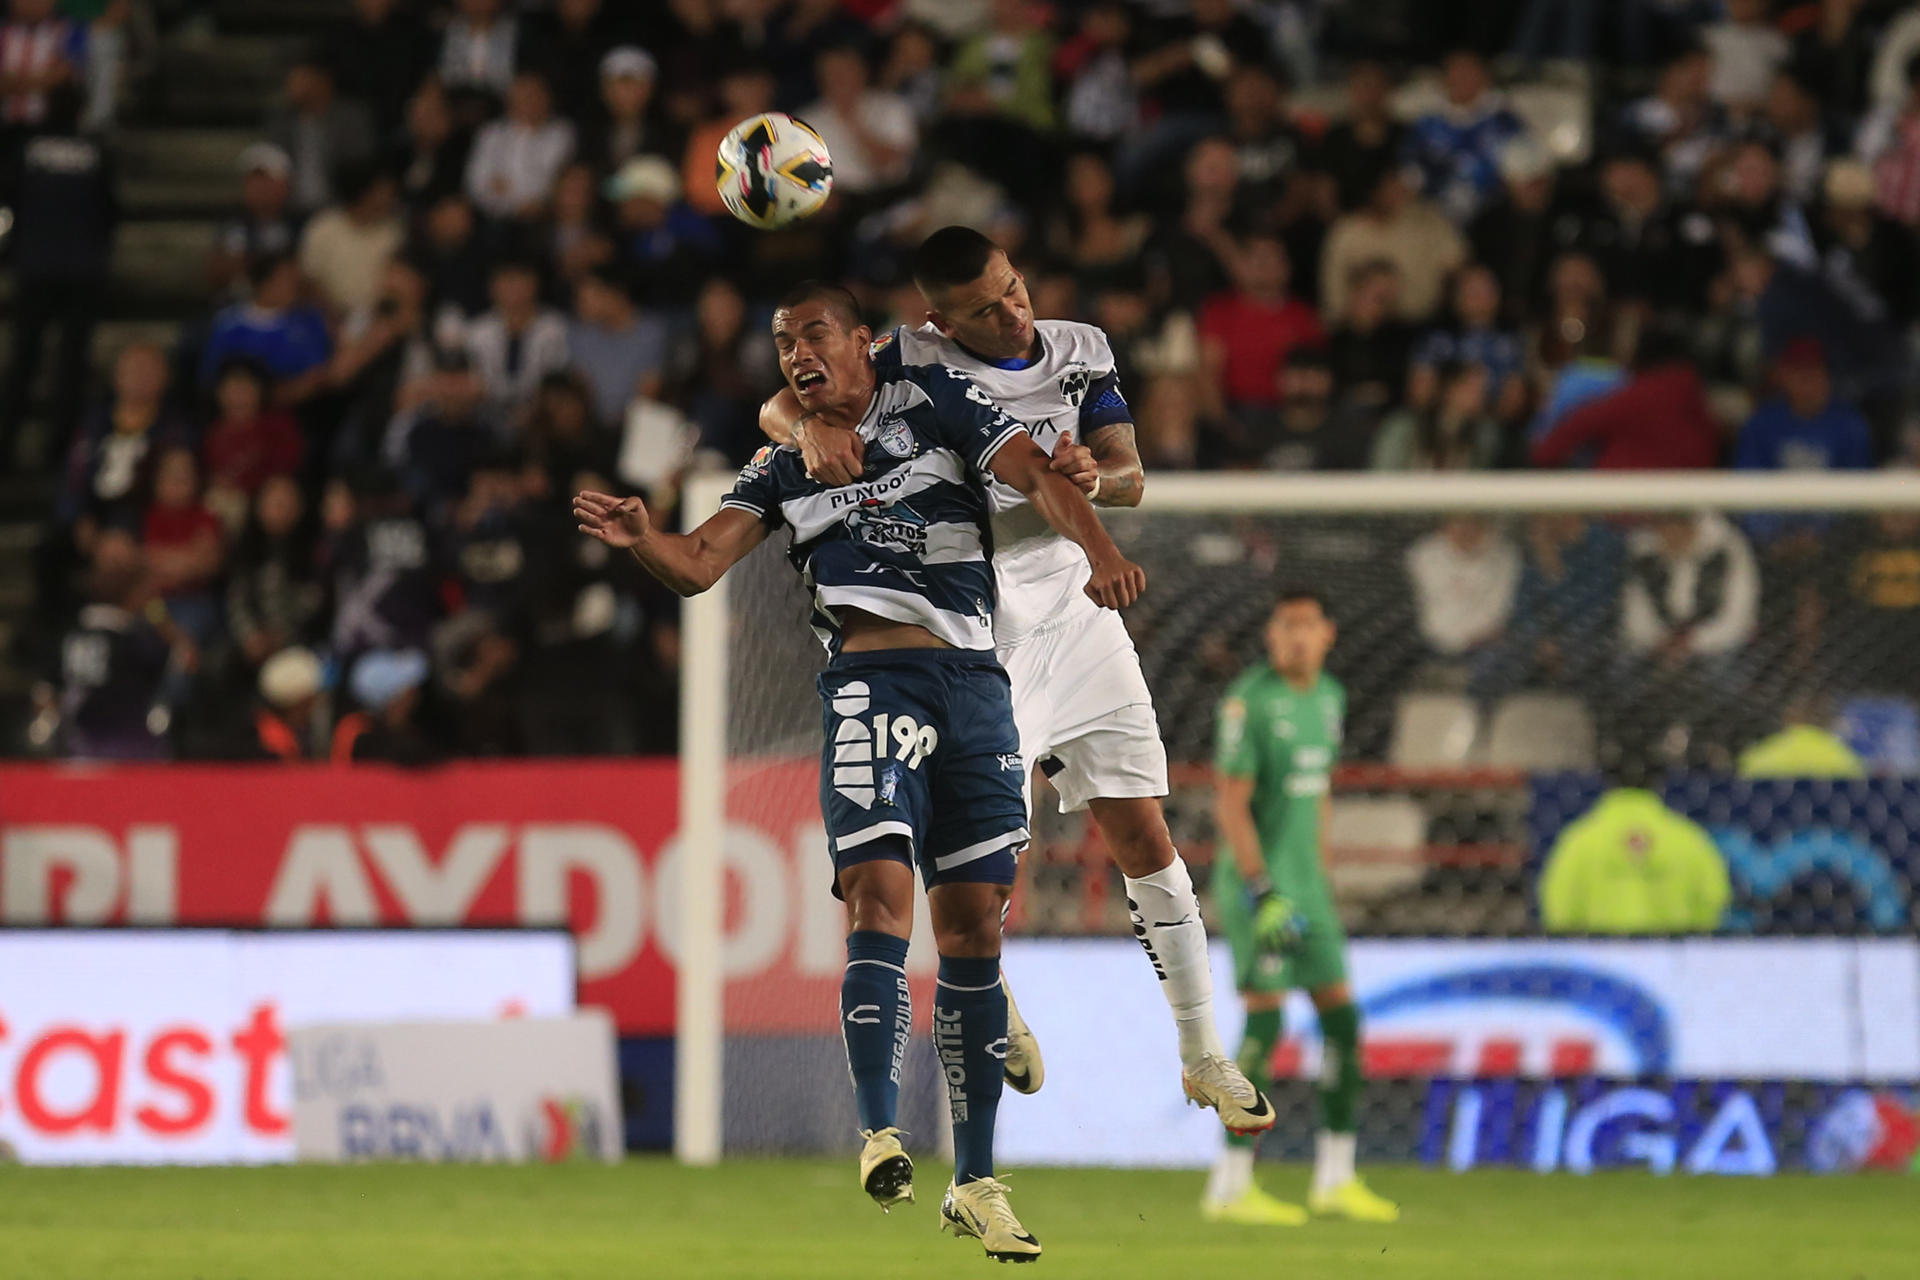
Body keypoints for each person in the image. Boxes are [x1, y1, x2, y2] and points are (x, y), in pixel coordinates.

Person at [576, 280, 1150, 1260]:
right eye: (782, 339)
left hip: (976, 685)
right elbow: (702, 561)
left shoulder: (940, 408)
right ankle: (880, 1130)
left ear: (864, 344)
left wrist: (1098, 545)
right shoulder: (778, 462)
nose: (797, 351)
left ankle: (976, 1180)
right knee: (879, 896)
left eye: (814, 334)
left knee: (973, 927)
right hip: (869, 688)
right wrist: (645, 543)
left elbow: (1039, 475)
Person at [759, 228, 1275, 1141]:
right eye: (984, 309)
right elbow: (783, 402)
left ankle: (1203, 1052)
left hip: (1075, 614)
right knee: (982, 868)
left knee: (1144, 828)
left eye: (1015, 290)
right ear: (937, 322)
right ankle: (991, 997)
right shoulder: (905, 356)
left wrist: (1098, 482)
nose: (1012, 313)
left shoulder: (1081, 348)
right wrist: (806, 426)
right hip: (977, 632)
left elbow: (1130, 474)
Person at [1205, 589, 1398, 1226]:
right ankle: (1230, 1186)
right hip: (1260, 890)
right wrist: (1262, 890)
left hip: (1308, 888)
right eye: (1285, 626)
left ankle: (1335, 1178)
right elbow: (1231, 804)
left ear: (1328, 634)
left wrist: (1319, 875)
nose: (1295, 637)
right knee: (1266, 1022)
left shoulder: (1330, 699)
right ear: (1269, 635)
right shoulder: (1249, 703)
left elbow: (1319, 799)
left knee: (1343, 1023)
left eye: (1306, 626)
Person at [1540, 782, 1730, 934]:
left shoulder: (1578, 839)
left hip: (1600, 965)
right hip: (1673, 966)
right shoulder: (1689, 837)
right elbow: (1714, 902)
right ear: (1659, 779)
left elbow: (1559, 911)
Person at [1735, 338, 1875, 471]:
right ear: (1783, 375)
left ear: (1827, 375)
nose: (1806, 379)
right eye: (1799, 371)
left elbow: (1858, 483)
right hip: (1776, 496)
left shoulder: (1850, 425)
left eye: (1813, 370)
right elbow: (1748, 480)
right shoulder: (1761, 423)